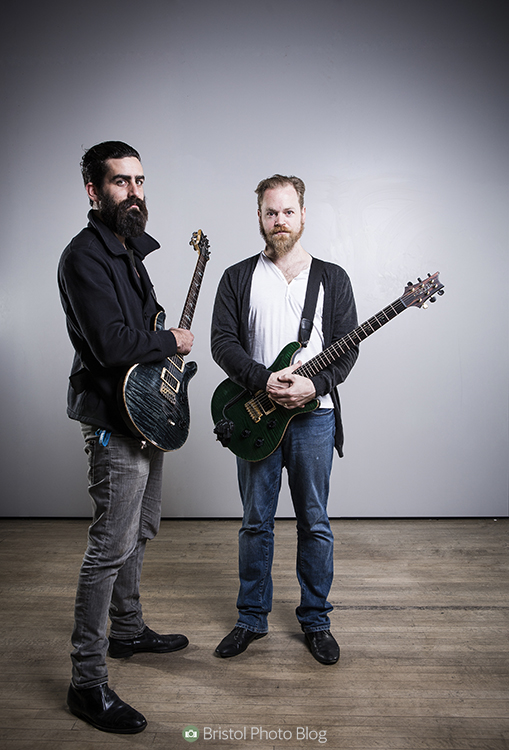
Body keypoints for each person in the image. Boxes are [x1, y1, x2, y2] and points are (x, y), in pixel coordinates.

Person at [58, 141, 194, 734]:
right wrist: (172, 343)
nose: (134, 192)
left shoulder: (128, 251)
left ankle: (129, 632)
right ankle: (87, 684)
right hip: (113, 423)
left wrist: (162, 334)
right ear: (94, 190)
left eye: (140, 181)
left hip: (145, 414)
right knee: (108, 548)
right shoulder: (84, 257)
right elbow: (114, 344)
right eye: (121, 182)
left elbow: (145, 322)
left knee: (142, 528)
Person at [211, 174, 358, 665]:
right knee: (256, 522)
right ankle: (251, 618)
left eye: (288, 211)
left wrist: (313, 385)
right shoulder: (236, 276)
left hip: (315, 419)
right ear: (259, 217)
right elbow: (222, 342)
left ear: (302, 215)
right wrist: (263, 380)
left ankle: (316, 621)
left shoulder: (332, 278)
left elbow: (346, 349)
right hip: (258, 416)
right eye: (270, 212)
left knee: (315, 522)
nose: (279, 221)